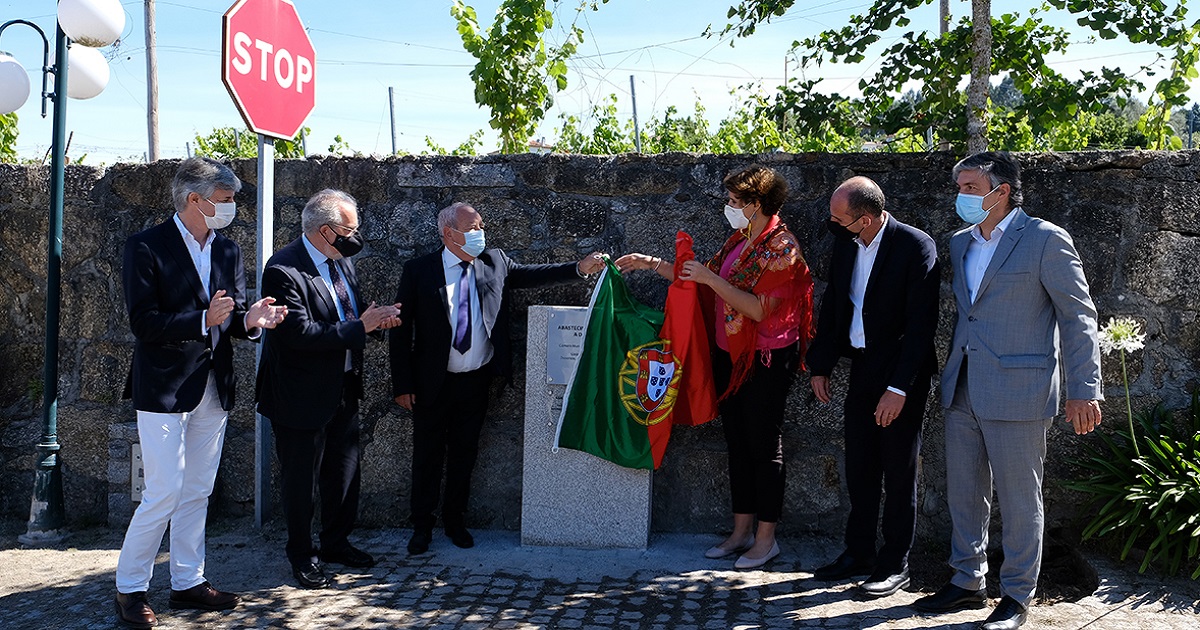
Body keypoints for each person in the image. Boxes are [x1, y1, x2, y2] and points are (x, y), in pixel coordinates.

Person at [912, 152, 1103, 630]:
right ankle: (966, 580)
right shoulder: (959, 243)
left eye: (971, 187)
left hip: (1020, 389)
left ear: (1002, 190)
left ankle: (1017, 595)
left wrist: (1085, 388)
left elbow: (1078, 316)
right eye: (960, 186)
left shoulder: (1044, 239)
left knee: (1020, 498)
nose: (962, 195)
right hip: (963, 386)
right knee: (964, 490)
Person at [116, 157, 287, 628]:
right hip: (165, 386)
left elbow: (228, 319)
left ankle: (188, 581)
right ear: (195, 200)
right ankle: (130, 588)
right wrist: (200, 321)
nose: (232, 208)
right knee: (163, 490)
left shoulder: (228, 250)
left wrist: (250, 322)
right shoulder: (146, 246)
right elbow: (142, 322)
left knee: (198, 488)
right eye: (225, 200)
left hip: (216, 385)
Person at [616, 164, 813, 569]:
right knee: (738, 442)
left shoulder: (782, 248)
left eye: (734, 201)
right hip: (731, 355)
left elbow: (757, 308)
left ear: (755, 205)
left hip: (766, 357)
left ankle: (766, 539)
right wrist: (649, 262)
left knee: (763, 445)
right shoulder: (741, 241)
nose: (728, 207)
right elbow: (696, 279)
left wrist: (710, 278)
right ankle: (741, 532)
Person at [389, 202, 605, 555]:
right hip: (432, 382)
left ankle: (455, 522)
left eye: (481, 226)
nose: (480, 233)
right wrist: (403, 385)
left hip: (476, 380)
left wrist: (580, 268)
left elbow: (535, 274)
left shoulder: (494, 262)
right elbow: (401, 332)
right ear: (448, 233)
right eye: (472, 228)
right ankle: (422, 527)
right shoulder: (419, 271)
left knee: (465, 453)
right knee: (427, 456)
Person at [256, 189, 401, 589]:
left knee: (344, 472)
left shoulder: (342, 262)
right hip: (299, 396)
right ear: (326, 230)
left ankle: (337, 543)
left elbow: (348, 317)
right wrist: (361, 327)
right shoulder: (283, 270)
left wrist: (375, 322)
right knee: (301, 481)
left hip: (344, 387)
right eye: (349, 229)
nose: (356, 237)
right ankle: (302, 556)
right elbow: (298, 334)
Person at [806, 176, 940, 597]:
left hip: (901, 372)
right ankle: (859, 551)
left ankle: (895, 563)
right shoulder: (848, 242)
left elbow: (922, 327)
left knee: (898, 470)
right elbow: (835, 305)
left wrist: (898, 389)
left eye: (839, 218)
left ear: (866, 219)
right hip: (862, 366)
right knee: (860, 467)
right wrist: (820, 364)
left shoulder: (916, 246)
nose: (832, 224)